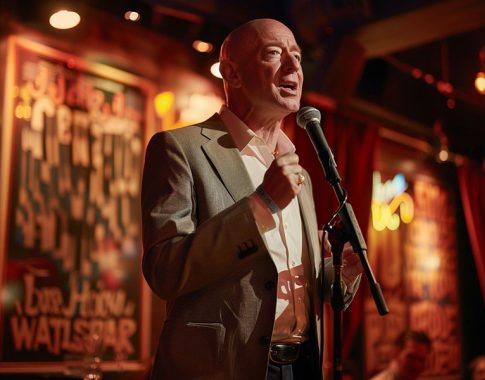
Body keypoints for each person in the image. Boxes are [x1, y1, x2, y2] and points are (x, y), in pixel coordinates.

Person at [140, 18, 363, 380]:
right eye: (274, 54)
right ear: (233, 73)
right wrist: (261, 206)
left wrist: (343, 270)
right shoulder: (180, 149)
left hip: (301, 365)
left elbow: (296, 286)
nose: (293, 67)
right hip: (220, 368)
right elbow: (165, 270)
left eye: (297, 56)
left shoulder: (297, 171)